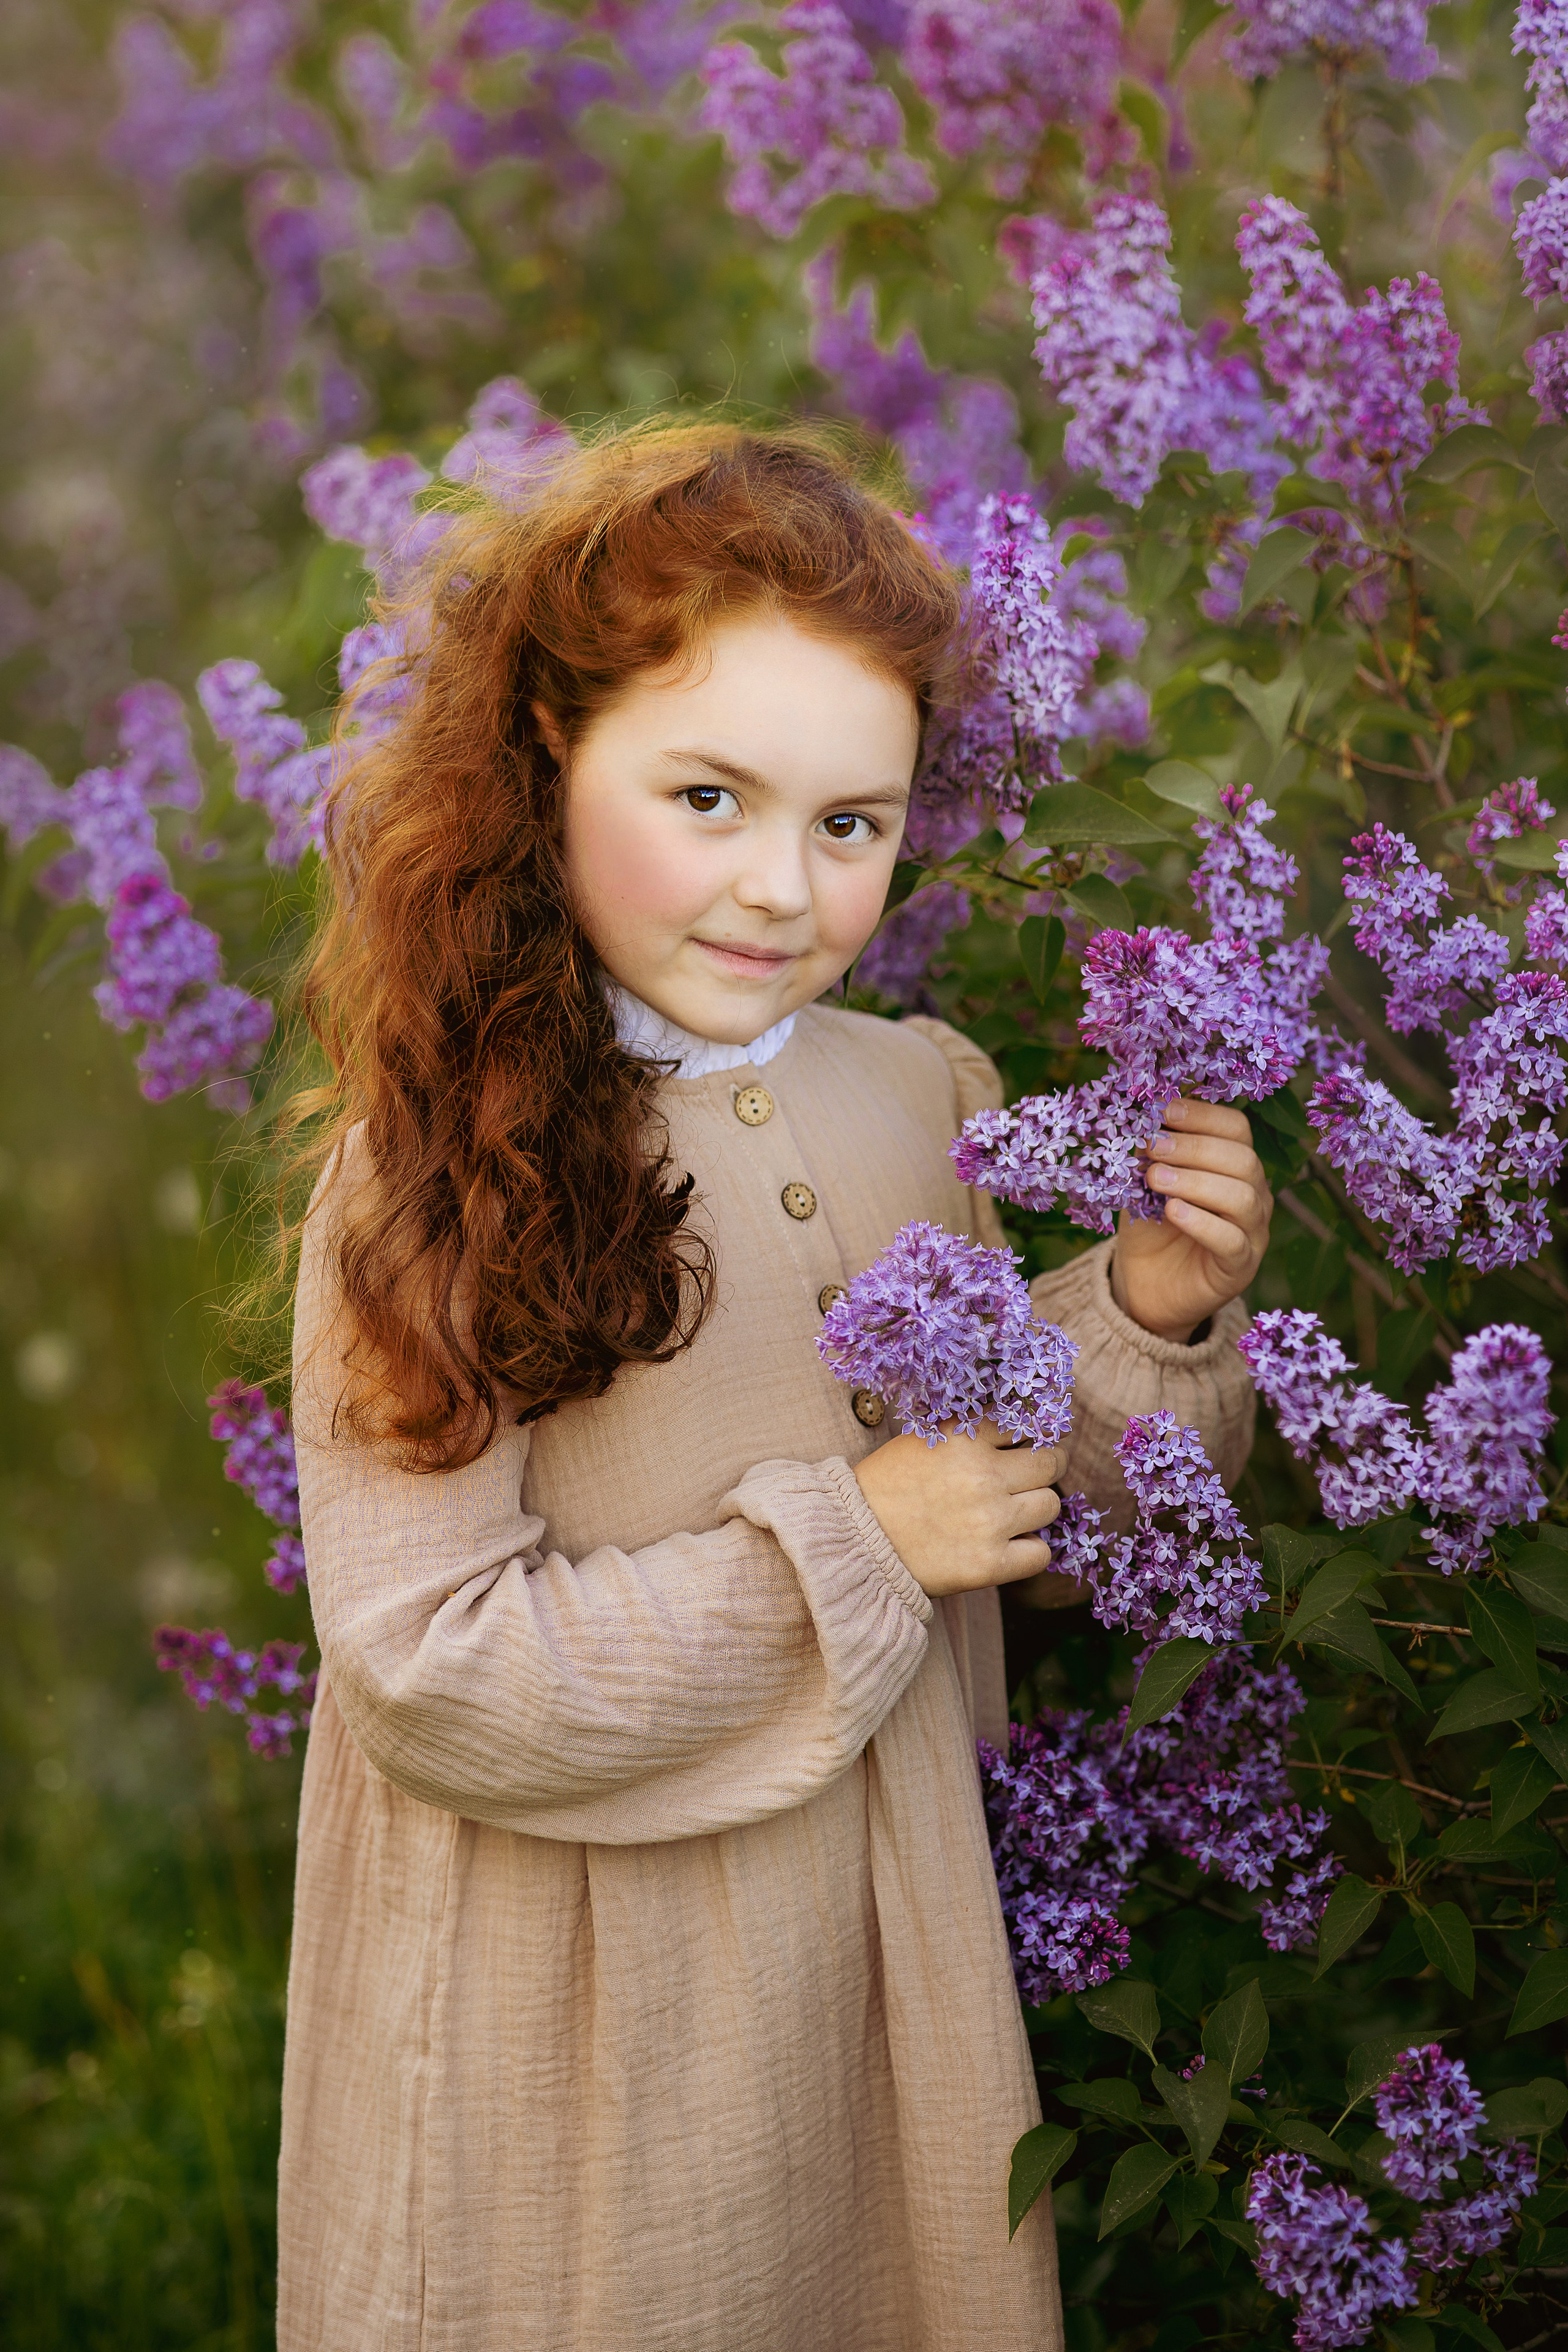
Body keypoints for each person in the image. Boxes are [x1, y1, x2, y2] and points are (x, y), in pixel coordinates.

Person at [276, 422, 1270, 2351]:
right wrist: (857, 1544)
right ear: (552, 756)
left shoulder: (921, 1093)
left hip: (881, 1964)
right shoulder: (438, 1167)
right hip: (576, 2016)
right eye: (709, 795)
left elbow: (1051, 1540)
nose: (783, 887)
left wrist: (1147, 1313)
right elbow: (424, 1664)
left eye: (851, 823)